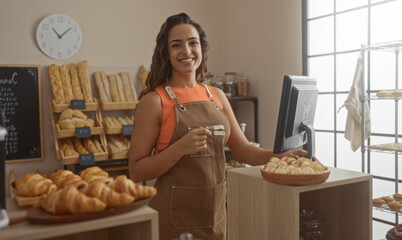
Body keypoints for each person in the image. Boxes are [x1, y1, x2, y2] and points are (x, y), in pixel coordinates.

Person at [129, 13, 306, 240]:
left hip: (216, 219)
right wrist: (179, 148)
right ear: (165, 52)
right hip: (174, 223)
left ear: (201, 48)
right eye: (176, 45)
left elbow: (244, 150)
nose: (187, 51)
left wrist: (281, 156)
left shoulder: (217, 96)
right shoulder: (154, 101)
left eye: (193, 43)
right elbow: (136, 171)